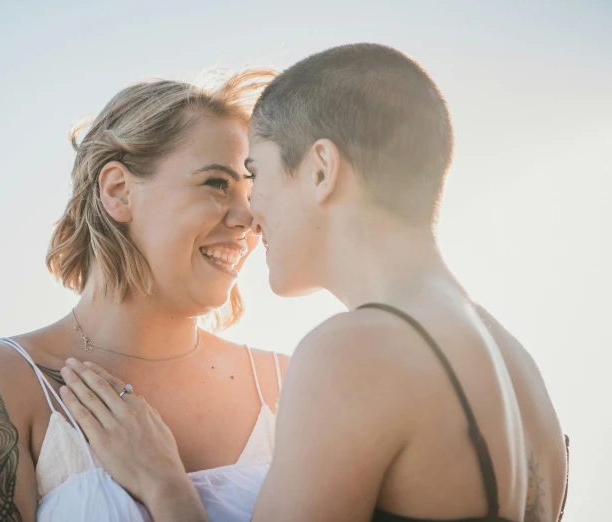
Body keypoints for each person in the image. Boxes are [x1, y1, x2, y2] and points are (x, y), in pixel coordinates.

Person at [58, 43, 569, 521]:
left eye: (256, 174)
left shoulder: (350, 353)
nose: (252, 213)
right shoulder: (518, 366)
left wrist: (164, 485)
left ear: (321, 170)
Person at [0, 68, 290, 522]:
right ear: (118, 191)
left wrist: (166, 489)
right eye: (216, 183)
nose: (247, 219)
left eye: (252, 193)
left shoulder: (289, 386)